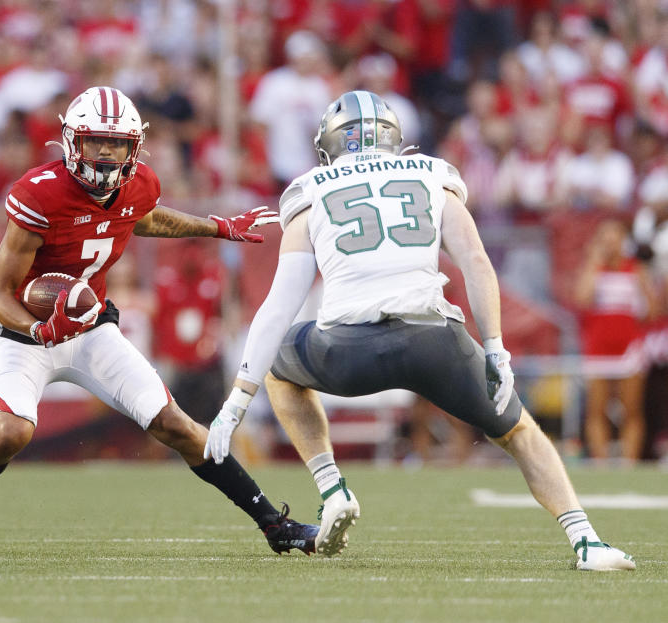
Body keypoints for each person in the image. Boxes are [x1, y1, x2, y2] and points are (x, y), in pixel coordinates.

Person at [204, 90, 636, 570]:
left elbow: (278, 307)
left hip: (348, 348)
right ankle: (587, 542)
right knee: (520, 432)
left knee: (281, 369)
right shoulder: (430, 172)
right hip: (434, 339)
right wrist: (495, 347)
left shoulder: (310, 189)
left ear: (330, 142)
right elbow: (476, 262)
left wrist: (236, 403)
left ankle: (332, 488)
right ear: (393, 137)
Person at [0, 86, 321, 557]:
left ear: (133, 147)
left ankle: (275, 527)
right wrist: (39, 330)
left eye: (117, 143)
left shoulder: (138, 184)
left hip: (91, 329)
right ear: (71, 142)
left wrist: (217, 227)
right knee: (9, 434)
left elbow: (142, 217)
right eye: (95, 141)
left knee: (178, 426)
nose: (106, 152)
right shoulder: (39, 194)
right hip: (25, 333)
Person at [573, 220, 658, 463]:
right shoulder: (593, 269)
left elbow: (651, 311)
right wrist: (594, 263)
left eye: (615, 239)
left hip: (628, 348)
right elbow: (582, 300)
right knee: (597, 410)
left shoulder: (636, 270)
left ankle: (628, 462)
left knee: (631, 410)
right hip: (598, 348)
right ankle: (601, 462)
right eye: (605, 239)